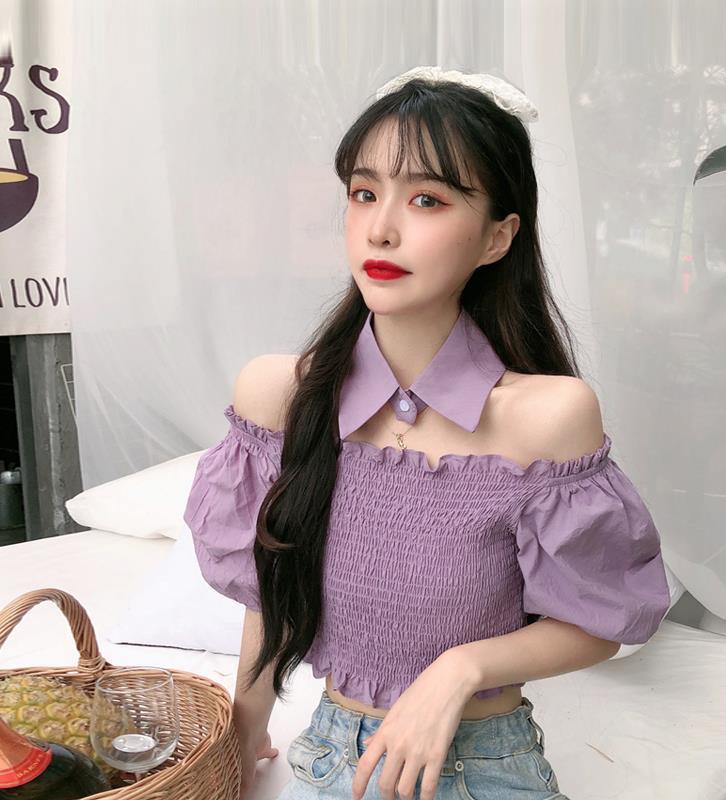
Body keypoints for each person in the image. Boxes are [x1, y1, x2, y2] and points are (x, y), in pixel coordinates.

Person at [183, 65, 672, 800]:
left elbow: (602, 620)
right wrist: (243, 728)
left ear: (498, 237)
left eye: (427, 200)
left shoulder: (549, 416)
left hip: (482, 766)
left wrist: (461, 669)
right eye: (364, 193)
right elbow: (270, 590)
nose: (381, 227)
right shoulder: (280, 396)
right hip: (329, 762)